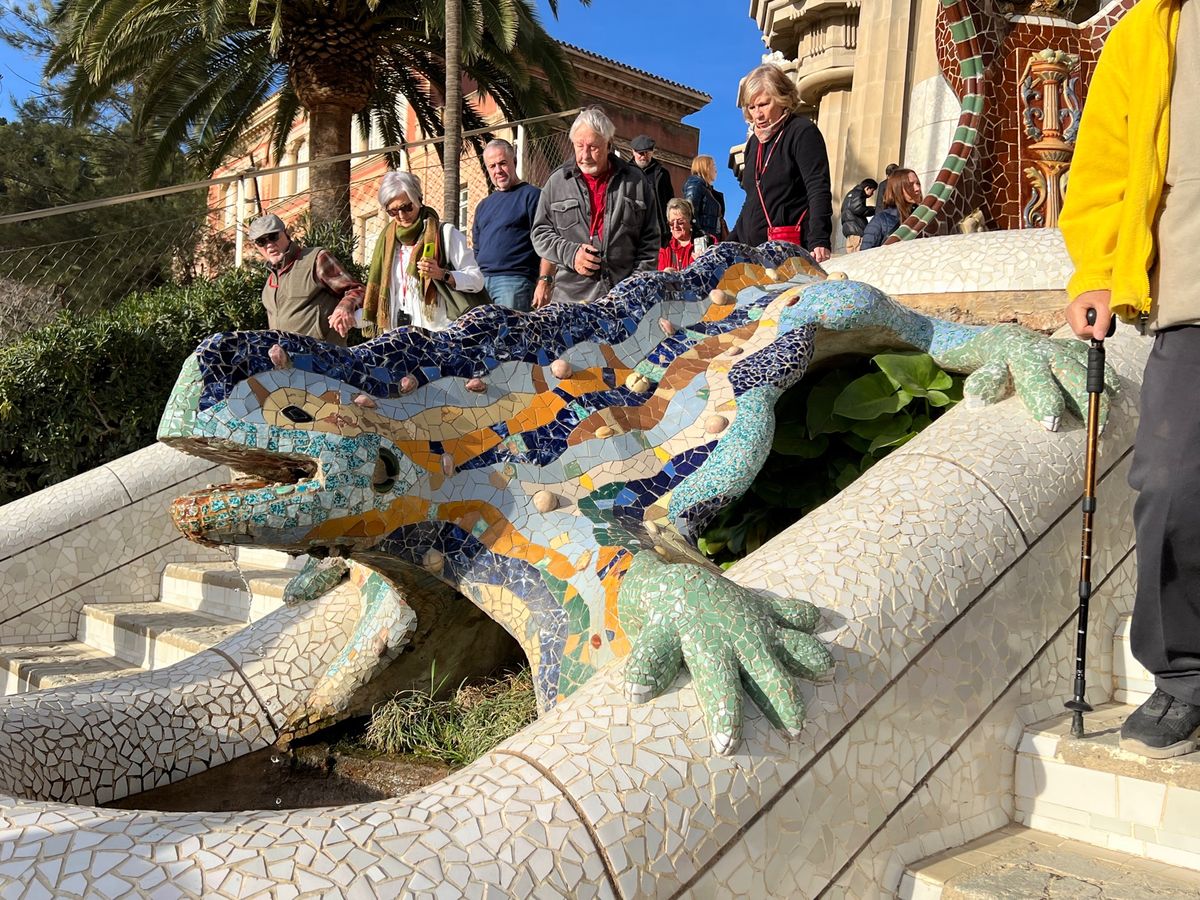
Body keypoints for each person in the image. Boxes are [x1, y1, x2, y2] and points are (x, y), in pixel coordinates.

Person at [1061, 0, 1200, 760]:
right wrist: (1095, 269)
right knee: (1170, 485)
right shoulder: (1148, 29)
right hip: (1190, 298)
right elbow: (1105, 167)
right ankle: (1182, 677)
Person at [531, 107, 661, 303]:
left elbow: (650, 240)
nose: (585, 155)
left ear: (608, 145)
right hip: (570, 299)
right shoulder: (557, 182)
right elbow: (540, 233)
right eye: (579, 146)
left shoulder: (636, 182)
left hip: (622, 299)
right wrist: (571, 253)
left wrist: (634, 287)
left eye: (593, 147)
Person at [731, 64, 833, 263]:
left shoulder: (802, 132)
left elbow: (818, 188)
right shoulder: (754, 144)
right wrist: (728, 243)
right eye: (752, 107)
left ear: (782, 99)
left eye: (763, 104)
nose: (757, 115)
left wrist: (819, 239)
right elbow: (752, 200)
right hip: (754, 253)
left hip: (790, 250)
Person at [361, 171, 485, 332]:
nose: (401, 215)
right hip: (398, 337)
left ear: (418, 200)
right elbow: (380, 299)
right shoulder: (386, 243)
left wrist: (443, 274)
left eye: (406, 207)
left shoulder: (445, 234)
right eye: (392, 211)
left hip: (437, 336)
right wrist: (349, 315)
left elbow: (477, 280)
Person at [249, 213, 364, 347]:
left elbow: (357, 290)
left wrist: (345, 307)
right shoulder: (270, 283)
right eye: (261, 241)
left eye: (273, 237)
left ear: (285, 234)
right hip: (287, 364)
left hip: (323, 359)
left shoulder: (315, 259)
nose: (269, 245)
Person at [471, 139, 556, 312]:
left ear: (514, 162)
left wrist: (544, 281)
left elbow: (547, 242)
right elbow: (477, 248)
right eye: (492, 166)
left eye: (502, 163)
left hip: (515, 282)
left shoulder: (533, 196)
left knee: (510, 338)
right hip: (480, 285)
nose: (498, 170)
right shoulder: (483, 206)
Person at [860, 169, 922, 251]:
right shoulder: (880, 220)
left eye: (918, 183)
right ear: (897, 189)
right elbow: (864, 256)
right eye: (910, 185)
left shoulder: (924, 216)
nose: (917, 188)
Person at [631, 134, 674, 247]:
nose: (643, 156)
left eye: (647, 152)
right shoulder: (625, 173)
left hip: (659, 231)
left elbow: (670, 200)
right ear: (633, 152)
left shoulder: (662, 173)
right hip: (634, 231)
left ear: (652, 152)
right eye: (640, 153)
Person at [657, 198, 717, 272]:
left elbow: (719, 271)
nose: (675, 226)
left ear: (691, 221)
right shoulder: (665, 246)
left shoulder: (709, 241)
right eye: (671, 223)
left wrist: (705, 264)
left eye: (680, 221)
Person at [683, 155, 726, 240]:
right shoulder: (695, 184)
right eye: (713, 166)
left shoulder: (708, 190)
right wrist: (700, 235)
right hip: (703, 240)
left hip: (711, 238)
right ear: (705, 168)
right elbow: (690, 211)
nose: (716, 170)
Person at [840, 178, 878, 253]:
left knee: (851, 256)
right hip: (857, 230)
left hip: (849, 230)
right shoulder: (859, 193)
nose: (872, 194)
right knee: (859, 255)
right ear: (867, 188)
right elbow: (858, 209)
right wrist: (874, 210)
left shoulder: (851, 193)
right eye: (872, 191)